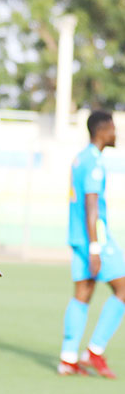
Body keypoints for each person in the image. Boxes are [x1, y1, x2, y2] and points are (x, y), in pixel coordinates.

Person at [58, 111, 125, 379]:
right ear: (102, 130)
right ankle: (94, 351)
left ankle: (68, 358)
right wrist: (95, 248)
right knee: (123, 288)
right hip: (95, 239)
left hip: (77, 237)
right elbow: (91, 205)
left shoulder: (80, 158)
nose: (116, 133)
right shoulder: (94, 163)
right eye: (113, 128)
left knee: (82, 294)